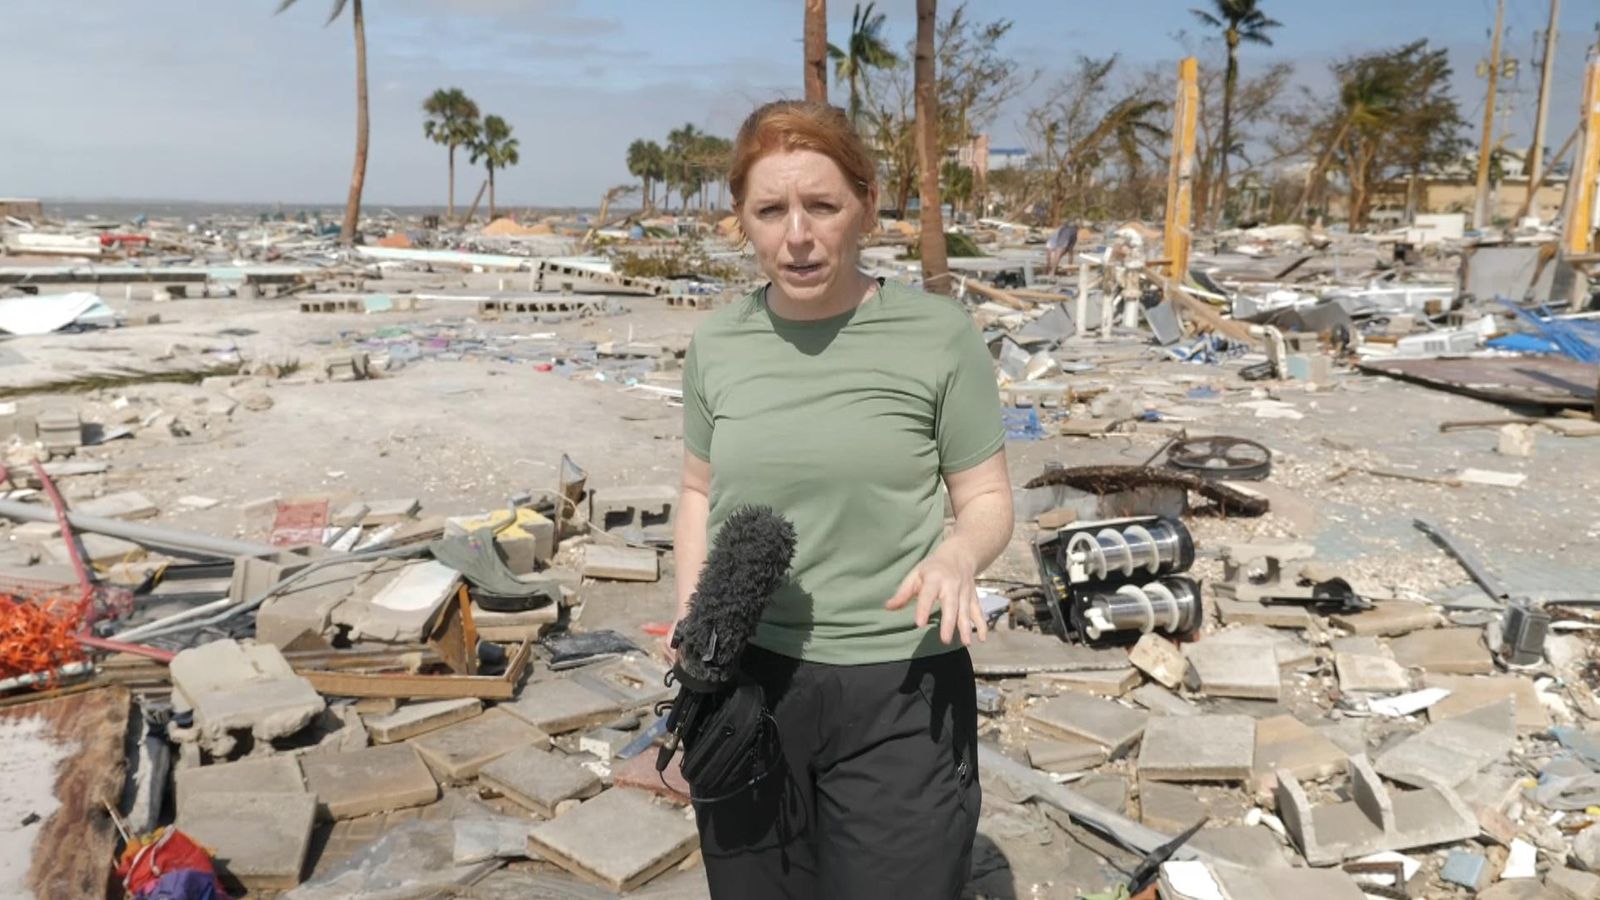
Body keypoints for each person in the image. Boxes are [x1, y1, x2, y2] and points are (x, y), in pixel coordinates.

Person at [671, 99, 1014, 899]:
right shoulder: (716, 344)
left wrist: (961, 554)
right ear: (741, 221)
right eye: (771, 210)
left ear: (864, 203)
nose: (798, 233)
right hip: (746, 684)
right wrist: (691, 614)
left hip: (900, 685)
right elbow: (696, 492)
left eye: (821, 205)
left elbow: (988, 494)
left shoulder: (938, 334)